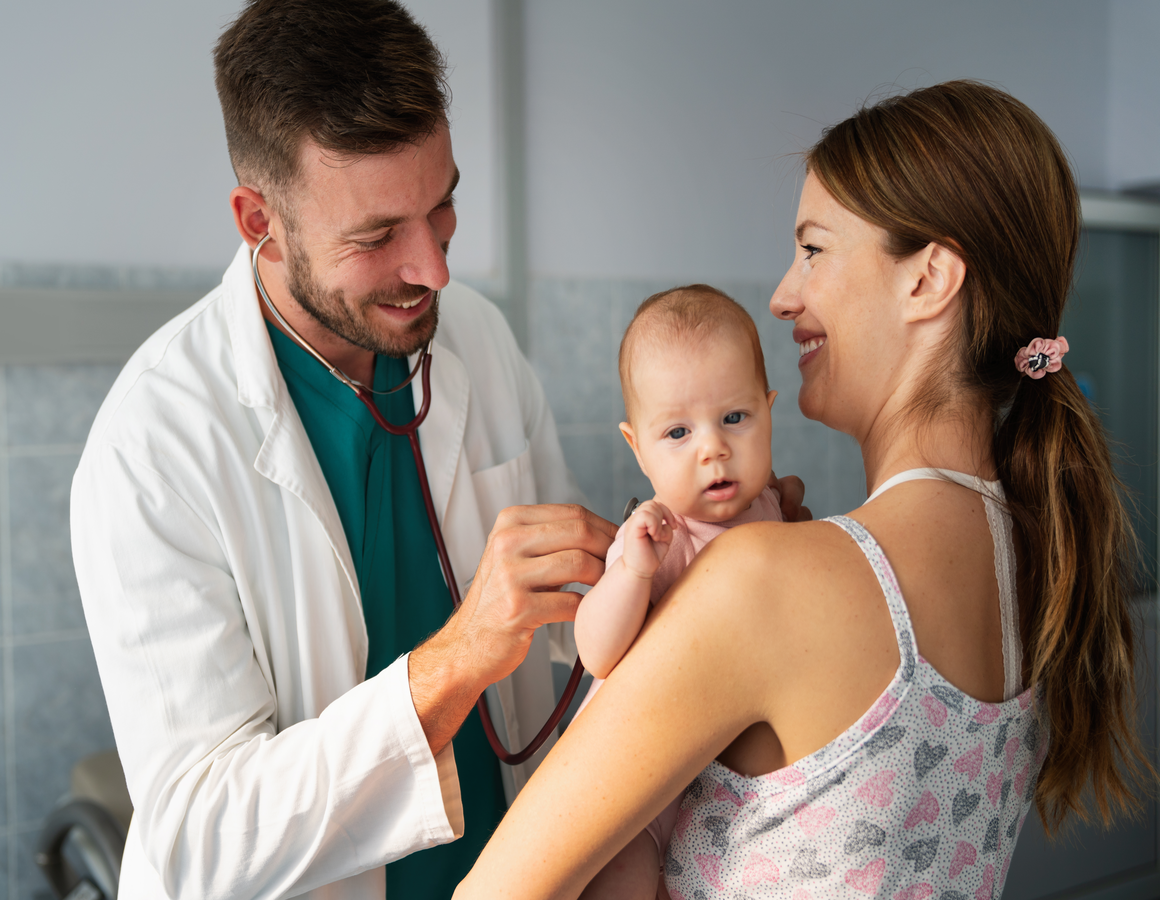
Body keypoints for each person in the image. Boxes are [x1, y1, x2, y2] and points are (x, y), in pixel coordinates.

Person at [455, 80, 1151, 900]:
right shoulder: (1041, 553)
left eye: (813, 249)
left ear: (928, 280)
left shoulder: (764, 578)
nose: (784, 296)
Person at [68, 2, 627, 897]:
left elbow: (571, 636)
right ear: (260, 222)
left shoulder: (475, 339)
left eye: (442, 207)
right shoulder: (154, 446)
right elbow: (199, 844)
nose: (435, 269)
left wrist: (673, 562)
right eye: (376, 238)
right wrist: (460, 655)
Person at [572, 285, 784, 900]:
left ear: (769, 412)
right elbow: (596, 652)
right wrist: (632, 575)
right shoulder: (658, 537)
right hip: (632, 789)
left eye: (735, 419)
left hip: (717, 790)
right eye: (677, 433)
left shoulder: (775, 512)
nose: (713, 447)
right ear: (637, 448)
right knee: (624, 880)